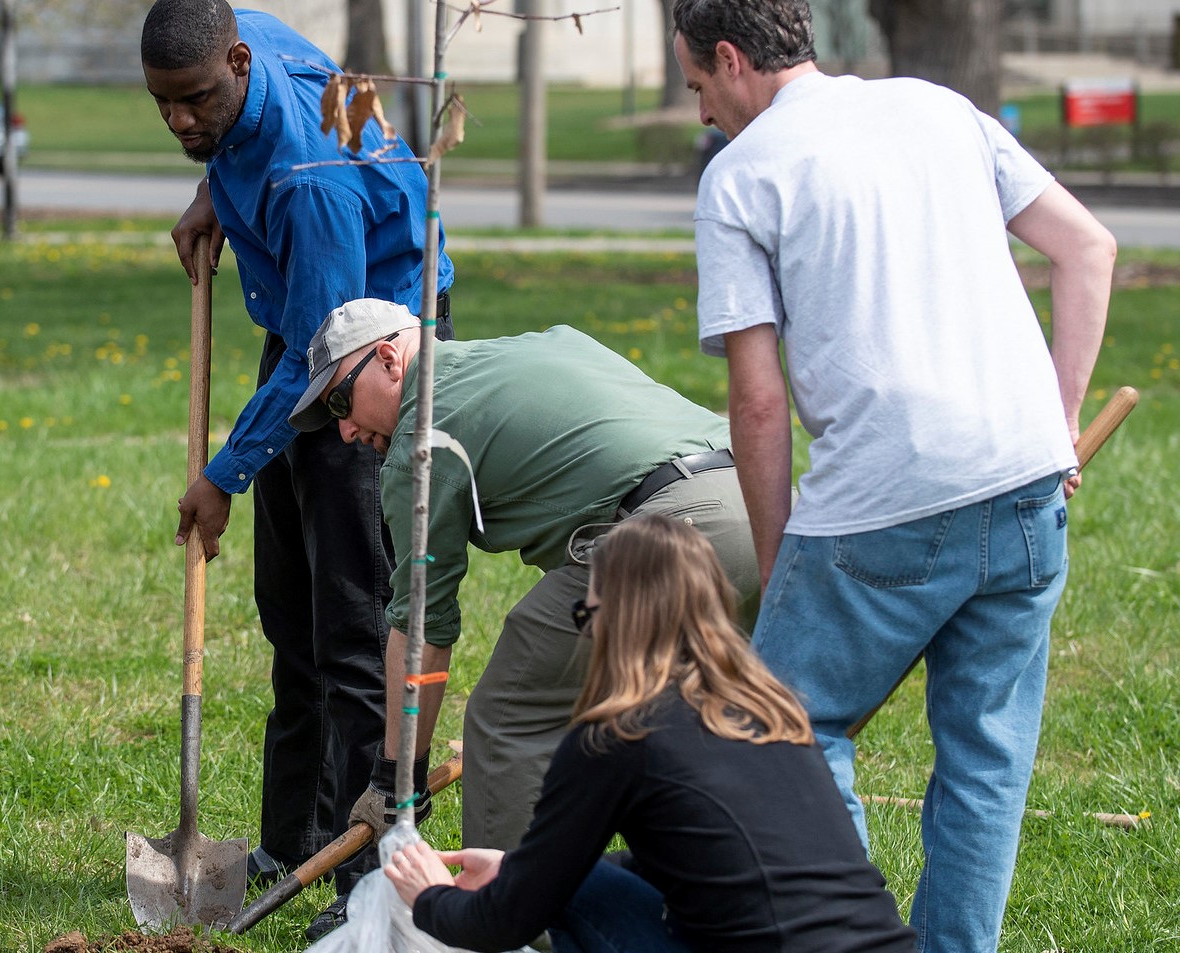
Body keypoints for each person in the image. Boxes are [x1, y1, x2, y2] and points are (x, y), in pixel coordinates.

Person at [674, 0, 1115, 948]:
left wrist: (780, 553)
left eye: (698, 87)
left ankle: (849, 937)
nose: (702, 113)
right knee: (986, 764)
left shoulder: (741, 175)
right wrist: (1060, 424)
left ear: (728, 57)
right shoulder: (940, 107)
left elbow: (757, 402)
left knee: (783, 729)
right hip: (1029, 489)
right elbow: (1089, 248)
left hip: (886, 503)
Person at [139, 0, 455, 936]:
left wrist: (224, 472)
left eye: (196, 102)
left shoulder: (308, 179)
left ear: (236, 64)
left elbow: (322, 363)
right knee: (289, 606)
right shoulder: (251, 44)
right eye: (162, 106)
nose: (180, 122)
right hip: (311, 326)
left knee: (354, 620)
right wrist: (211, 186)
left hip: (376, 345)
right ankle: (292, 838)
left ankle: (372, 854)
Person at [287, 299, 758, 856]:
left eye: (341, 400)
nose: (343, 430)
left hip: (669, 539)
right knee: (670, 720)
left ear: (391, 359)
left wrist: (396, 777)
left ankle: (510, 925)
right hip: (760, 510)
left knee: (508, 717)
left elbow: (423, 632)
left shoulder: (423, 441)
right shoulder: (544, 341)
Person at [382, 515, 917, 953]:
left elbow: (505, 925)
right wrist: (521, 870)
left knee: (569, 893)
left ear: (614, 621)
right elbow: (701, 854)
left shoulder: (617, 736)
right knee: (575, 882)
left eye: (584, 615)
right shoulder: (771, 711)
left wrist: (428, 895)